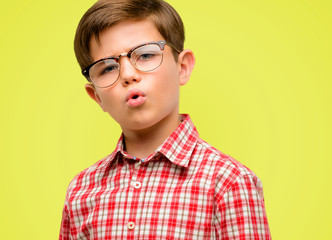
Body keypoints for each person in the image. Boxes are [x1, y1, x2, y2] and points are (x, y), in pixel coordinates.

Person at [59, 0, 271, 239]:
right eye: (107, 68)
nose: (128, 75)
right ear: (96, 96)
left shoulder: (229, 183)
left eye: (146, 54)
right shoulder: (80, 190)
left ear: (182, 67)